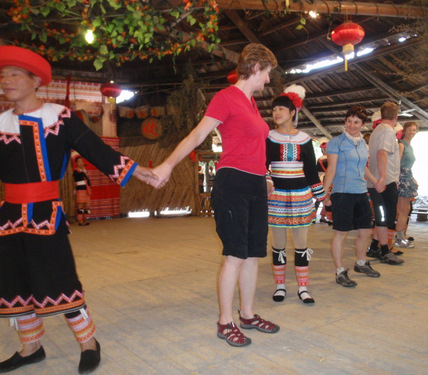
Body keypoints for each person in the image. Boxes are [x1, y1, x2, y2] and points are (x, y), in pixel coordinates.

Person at [0, 46, 156, 374]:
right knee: (13, 283)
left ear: (36, 80)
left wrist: (135, 170)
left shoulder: (59, 117)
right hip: (8, 216)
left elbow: (95, 148)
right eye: (3, 75)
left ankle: (88, 343)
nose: (6, 80)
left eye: (15, 74)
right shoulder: (0, 124)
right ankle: (31, 348)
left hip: (46, 214)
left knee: (61, 278)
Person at [151, 44, 279, 347]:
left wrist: (266, 176)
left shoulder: (250, 103)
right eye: (268, 74)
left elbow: (256, 147)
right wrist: (168, 165)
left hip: (256, 184)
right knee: (235, 255)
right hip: (232, 182)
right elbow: (197, 134)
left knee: (253, 255)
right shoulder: (226, 98)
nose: (268, 81)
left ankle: (247, 314)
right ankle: (225, 322)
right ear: (257, 67)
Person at [266, 85, 326, 304]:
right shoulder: (269, 137)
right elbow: (263, 165)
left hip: (301, 196)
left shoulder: (305, 139)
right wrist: (267, 179)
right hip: (277, 197)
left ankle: (303, 287)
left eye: (282, 109)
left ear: (293, 112)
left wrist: (322, 198)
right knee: (278, 243)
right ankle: (280, 286)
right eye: (274, 110)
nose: (277, 113)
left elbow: (311, 171)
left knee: (301, 244)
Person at [323, 106, 381, 287]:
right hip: (342, 192)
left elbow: (362, 165)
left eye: (356, 122)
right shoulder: (336, 143)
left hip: (361, 191)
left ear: (363, 125)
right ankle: (340, 271)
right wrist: (324, 194)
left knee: (366, 231)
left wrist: (374, 180)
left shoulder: (364, 143)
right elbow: (331, 169)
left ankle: (361, 263)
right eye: (349, 121)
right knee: (342, 233)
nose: (352, 125)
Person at [365, 102, 404, 265]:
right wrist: (382, 178)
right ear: (396, 117)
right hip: (383, 182)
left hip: (379, 181)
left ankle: (374, 247)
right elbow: (382, 154)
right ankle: (385, 251)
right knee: (383, 217)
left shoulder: (377, 130)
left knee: (384, 216)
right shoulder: (388, 131)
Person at [394, 121, 419, 248]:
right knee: (403, 210)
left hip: (408, 177)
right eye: (410, 130)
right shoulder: (401, 145)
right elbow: (396, 164)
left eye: (414, 130)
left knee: (407, 210)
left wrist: (413, 179)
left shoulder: (410, 146)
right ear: (404, 131)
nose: (412, 132)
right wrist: (397, 181)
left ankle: (401, 235)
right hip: (402, 178)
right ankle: (399, 238)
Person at [73, 156, 92, 226]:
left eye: (81, 161)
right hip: (80, 189)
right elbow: (78, 177)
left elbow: (88, 180)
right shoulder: (76, 171)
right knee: (80, 205)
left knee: (88, 205)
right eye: (79, 161)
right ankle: (80, 221)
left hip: (86, 189)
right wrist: (83, 172)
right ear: (77, 163)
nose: (81, 163)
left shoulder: (85, 170)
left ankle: (85, 219)